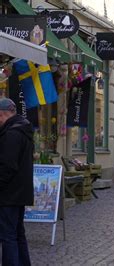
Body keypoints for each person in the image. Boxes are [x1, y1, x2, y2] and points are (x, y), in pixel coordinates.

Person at [0, 98, 34, 265]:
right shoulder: (23, 130)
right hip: (20, 193)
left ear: (1, 115)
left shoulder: (12, 134)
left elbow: (7, 167)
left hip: (9, 195)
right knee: (18, 234)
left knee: (8, 237)